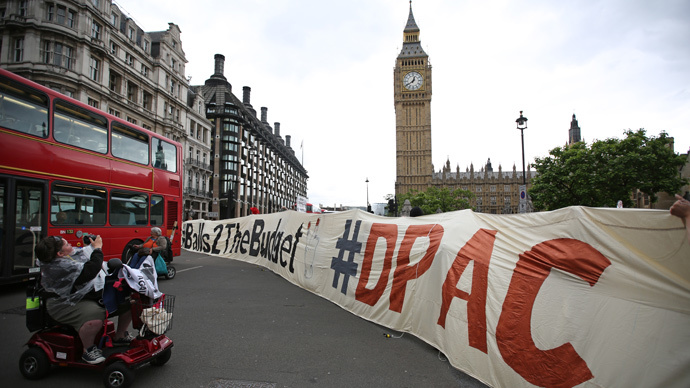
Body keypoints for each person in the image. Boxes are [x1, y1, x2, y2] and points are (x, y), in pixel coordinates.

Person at [35, 235, 133, 364]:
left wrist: (91, 246)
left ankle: (120, 336)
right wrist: (98, 249)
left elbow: (82, 254)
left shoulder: (63, 258)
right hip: (61, 305)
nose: (71, 245)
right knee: (96, 316)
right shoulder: (58, 267)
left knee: (127, 303)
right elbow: (90, 270)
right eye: (67, 245)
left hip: (77, 298)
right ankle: (88, 350)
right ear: (60, 253)